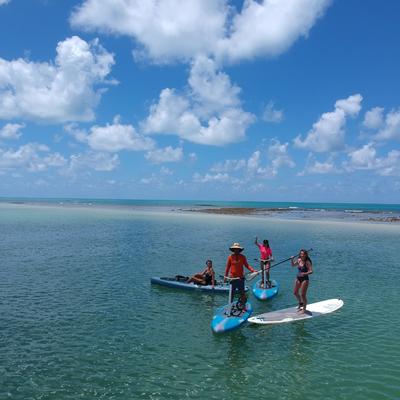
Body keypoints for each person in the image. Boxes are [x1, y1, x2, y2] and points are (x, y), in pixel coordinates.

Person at [291, 249, 313, 314]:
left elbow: (311, 271)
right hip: (298, 278)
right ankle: (301, 303)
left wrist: (305, 273)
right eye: (301, 254)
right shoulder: (299, 260)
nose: (302, 255)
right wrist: (292, 259)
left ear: (306, 255)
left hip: (305, 279)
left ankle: (304, 309)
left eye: (303, 254)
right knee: (295, 292)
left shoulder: (307, 262)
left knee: (303, 295)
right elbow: (293, 265)